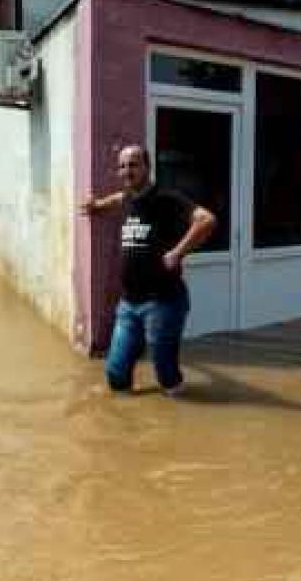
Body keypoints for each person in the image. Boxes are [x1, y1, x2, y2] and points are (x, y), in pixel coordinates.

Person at [81, 144, 217, 396]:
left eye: (133, 164)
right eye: (122, 166)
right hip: (129, 304)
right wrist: (96, 205)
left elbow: (206, 220)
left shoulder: (166, 197)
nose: (126, 171)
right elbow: (115, 199)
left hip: (163, 302)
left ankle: (179, 417)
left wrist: (177, 253)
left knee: (166, 376)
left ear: (147, 167)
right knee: (116, 375)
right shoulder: (127, 198)